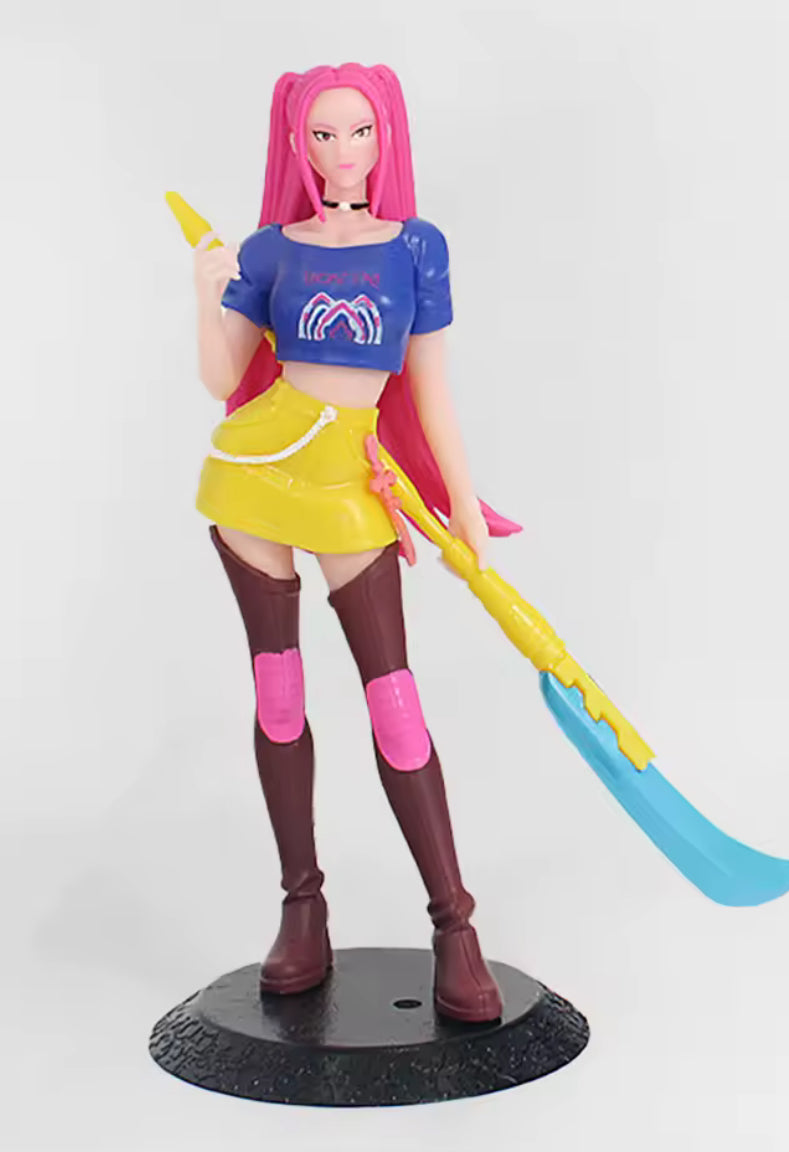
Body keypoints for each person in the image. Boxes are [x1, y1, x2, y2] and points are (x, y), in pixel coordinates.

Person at [189, 63, 520, 1024]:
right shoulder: (269, 249)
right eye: (323, 135)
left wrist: (460, 502)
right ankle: (302, 909)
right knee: (278, 694)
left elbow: (429, 388)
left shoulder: (415, 247)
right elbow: (223, 377)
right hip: (255, 472)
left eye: (359, 131)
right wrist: (205, 294)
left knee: (395, 704)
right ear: (299, 145)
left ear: (386, 139)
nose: (342, 151)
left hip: (348, 481)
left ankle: (454, 925)